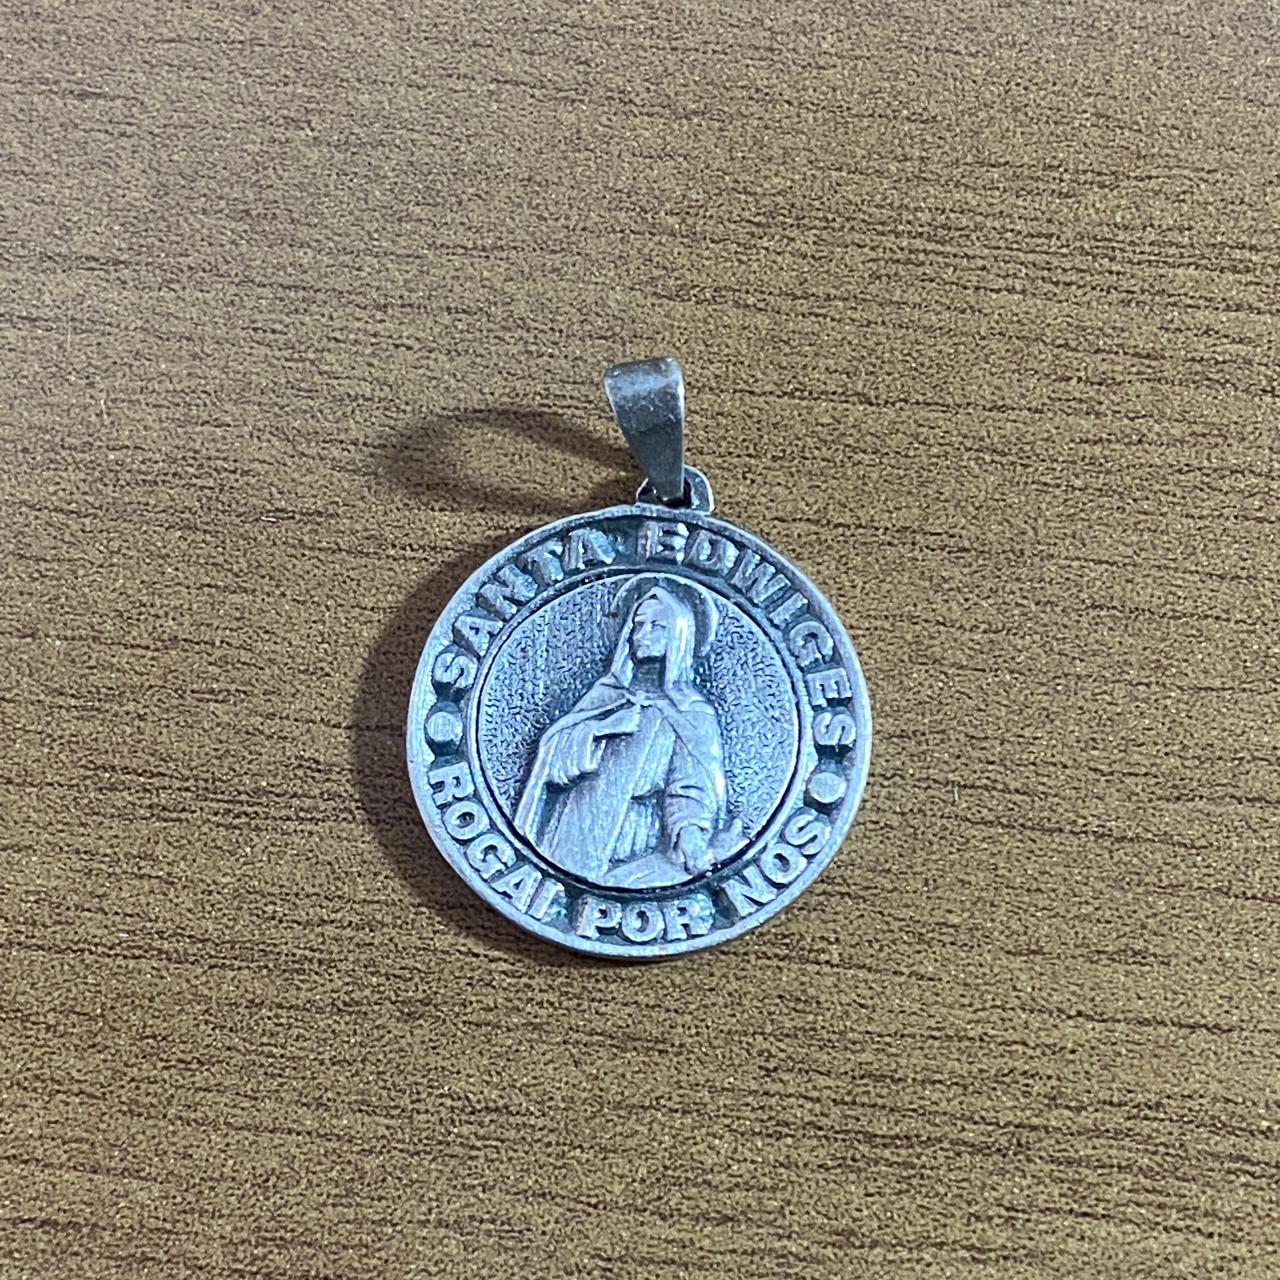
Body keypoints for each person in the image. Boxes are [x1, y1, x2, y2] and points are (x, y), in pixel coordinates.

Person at [514, 579, 741, 888]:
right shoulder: (606, 696)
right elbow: (552, 757)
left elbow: (691, 788)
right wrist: (601, 729)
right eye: (638, 625)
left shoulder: (692, 712)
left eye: (657, 627)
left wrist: (691, 837)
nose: (642, 635)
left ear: (679, 635)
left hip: (634, 842)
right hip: (574, 830)